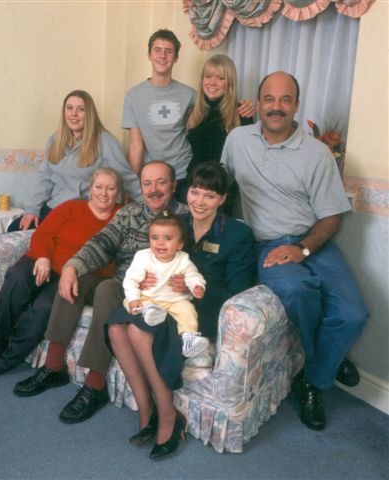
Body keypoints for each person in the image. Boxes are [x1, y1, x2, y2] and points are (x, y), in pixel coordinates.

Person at [220, 71, 368, 431]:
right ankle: (322, 375)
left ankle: (316, 371)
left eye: (285, 100)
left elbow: (331, 215)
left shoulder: (317, 153)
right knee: (299, 291)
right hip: (266, 243)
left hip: (312, 240)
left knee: (353, 314)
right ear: (259, 103)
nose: (276, 107)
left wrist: (301, 249)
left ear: (296, 105)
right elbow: (220, 189)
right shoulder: (237, 140)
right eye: (269, 99)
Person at [12, 161, 188, 426]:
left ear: (173, 185)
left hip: (150, 295)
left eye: (161, 182)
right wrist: (72, 266)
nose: (153, 189)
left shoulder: (185, 218)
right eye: (147, 183)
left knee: (106, 288)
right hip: (123, 284)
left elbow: (193, 264)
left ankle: (95, 386)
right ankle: (53, 367)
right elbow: (102, 243)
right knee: (78, 277)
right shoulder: (130, 213)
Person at [107, 161, 255, 460]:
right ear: (187, 192)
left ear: (223, 199)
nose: (200, 202)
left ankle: (168, 416)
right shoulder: (176, 224)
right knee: (115, 327)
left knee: (137, 330)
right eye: (196, 193)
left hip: (198, 311)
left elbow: (238, 292)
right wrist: (150, 277)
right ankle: (145, 408)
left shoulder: (237, 235)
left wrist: (191, 290)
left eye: (210, 196)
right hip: (159, 303)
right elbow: (149, 257)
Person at [0, 168, 123, 379]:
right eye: (99, 187)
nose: (104, 193)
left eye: (110, 188)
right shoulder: (71, 208)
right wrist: (42, 257)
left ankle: (9, 358)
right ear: (90, 190)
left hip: (76, 275)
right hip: (43, 261)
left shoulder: (122, 217)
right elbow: (44, 233)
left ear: (118, 192)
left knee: (44, 307)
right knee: (17, 278)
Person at [8, 90, 141, 231]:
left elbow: (127, 179)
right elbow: (44, 178)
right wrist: (31, 210)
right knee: (14, 229)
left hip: (81, 212)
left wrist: (152, 209)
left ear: (89, 114)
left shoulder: (107, 142)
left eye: (81, 109)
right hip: (54, 208)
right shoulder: (54, 140)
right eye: (69, 108)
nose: (73, 114)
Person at [123, 214, 208, 358]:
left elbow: (193, 276)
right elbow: (131, 280)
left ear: (180, 245)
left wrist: (197, 286)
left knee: (188, 310)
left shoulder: (183, 259)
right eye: (155, 238)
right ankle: (148, 312)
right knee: (129, 301)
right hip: (149, 298)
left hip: (175, 300)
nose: (160, 243)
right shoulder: (143, 256)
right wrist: (133, 298)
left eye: (168, 238)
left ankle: (188, 339)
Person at [122, 29, 195, 197]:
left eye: (168, 51)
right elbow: (135, 145)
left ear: (176, 58)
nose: (162, 56)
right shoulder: (134, 95)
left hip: (183, 175)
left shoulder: (190, 95)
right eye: (157, 50)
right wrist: (131, 186)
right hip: (152, 178)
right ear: (149, 55)